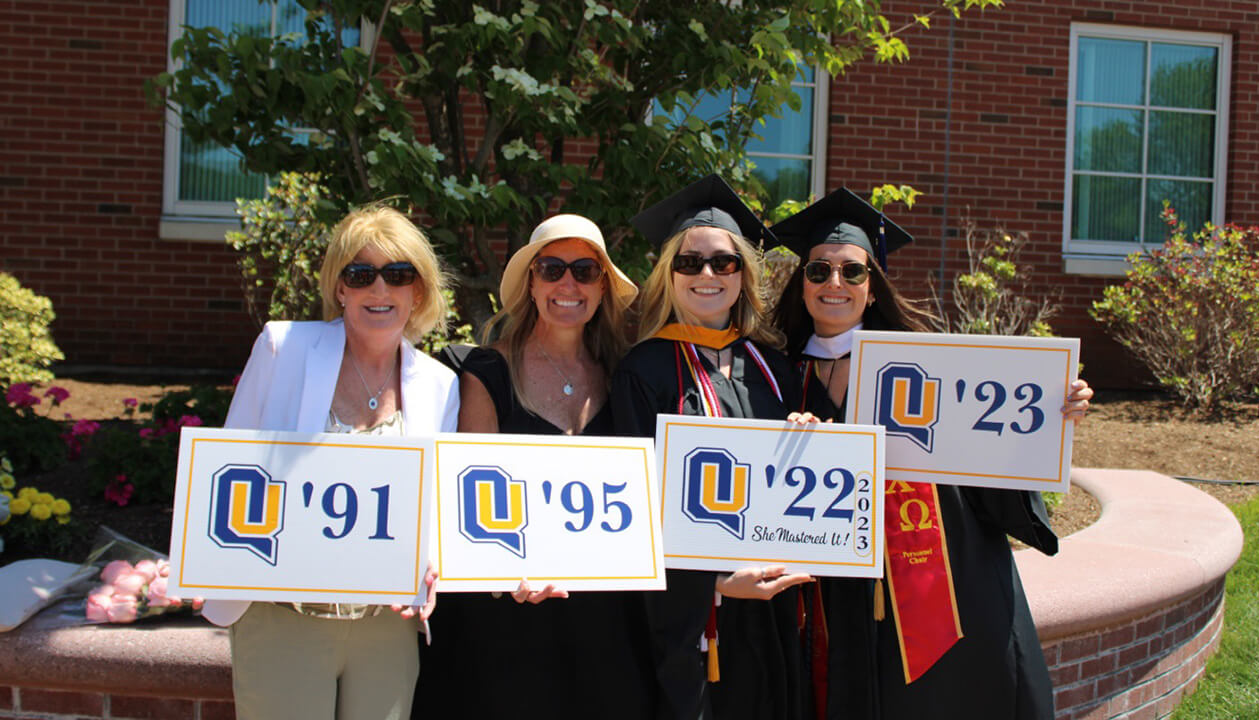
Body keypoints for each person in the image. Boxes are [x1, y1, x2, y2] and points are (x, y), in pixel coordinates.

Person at [769, 188, 1093, 720]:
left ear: (872, 289)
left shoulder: (931, 361)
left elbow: (994, 446)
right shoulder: (774, 375)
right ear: (801, 284)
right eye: (818, 270)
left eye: (852, 272)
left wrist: (1056, 408)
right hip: (828, 597)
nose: (834, 283)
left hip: (936, 575)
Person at [207, 205, 460, 720]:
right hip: (284, 620)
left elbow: (434, 511)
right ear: (340, 287)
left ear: (419, 291)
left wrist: (434, 564)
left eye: (398, 275)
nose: (379, 290)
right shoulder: (283, 349)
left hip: (385, 629)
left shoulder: (440, 385)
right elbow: (231, 472)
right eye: (360, 274)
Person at [415, 214, 659, 718]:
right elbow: (472, 500)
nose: (567, 283)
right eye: (552, 268)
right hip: (510, 616)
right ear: (531, 283)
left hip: (603, 623)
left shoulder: (625, 375)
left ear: (602, 286)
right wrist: (509, 571)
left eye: (585, 271)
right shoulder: (487, 373)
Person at [612, 174, 813, 720]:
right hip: (693, 615)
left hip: (772, 606)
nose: (707, 274)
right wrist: (715, 582)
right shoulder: (644, 371)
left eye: (723, 262)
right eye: (689, 263)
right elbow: (634, 507)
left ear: (743, 274)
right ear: (668, 276)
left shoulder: (773, 368)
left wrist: (809, 443)